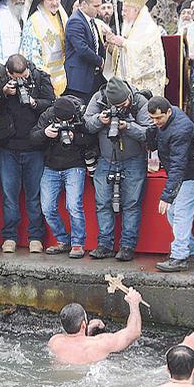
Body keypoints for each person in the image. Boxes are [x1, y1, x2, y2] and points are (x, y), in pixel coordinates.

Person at [83, 77, 152, 261]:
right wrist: (100, 120)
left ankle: (127, 246)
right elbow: (87, 124)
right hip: (106, 158)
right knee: (102, 202)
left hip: (134, 159)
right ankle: (104, 244)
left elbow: (150, 132)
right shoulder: (98, 98)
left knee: (131, 203)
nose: (121, 107)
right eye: (117, 105)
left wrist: (128, 127)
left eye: (124, 104)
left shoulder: (139, 101)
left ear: (129, 96)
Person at [0, 54, 55, 254]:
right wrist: (3, 93)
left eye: (24, 75)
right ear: (8, 72)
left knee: (33, 196)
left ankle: (35, 237)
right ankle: (9, 237)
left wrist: (34, 102)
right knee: (9, 197)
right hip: (7, 146)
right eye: (16, 76)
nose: (21, 79)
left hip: (34, 147)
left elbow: (52, 104)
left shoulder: (40, 77)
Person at [147, 96, 194, 272]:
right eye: (152, 118)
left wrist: (167, 195)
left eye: (158, 118)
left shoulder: (181, 129)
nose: (155, 122)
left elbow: (178, 164)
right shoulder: (167, 119)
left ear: (168, 112)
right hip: (184, 174)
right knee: (173, 213)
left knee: (181, 212)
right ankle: (190, 250)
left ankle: (179, 256)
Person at [30, 95, 95, 258]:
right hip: (50, 165)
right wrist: (45, 133)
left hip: (75, 165)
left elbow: (92, 137)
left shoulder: (81, 113)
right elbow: (33, 138)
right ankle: (63, 240)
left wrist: (76, 138)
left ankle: (78, 244)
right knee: (47, 208)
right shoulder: (48, 115)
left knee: (73, 206)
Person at [104, 0, 166, 99]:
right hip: (126, 86)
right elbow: (122, 56)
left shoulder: (149, 29)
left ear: (136, 10)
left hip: (143, 86)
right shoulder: (129, 27)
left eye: (126, 10)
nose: (123, 13)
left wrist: (124, 43)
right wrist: (113, 45)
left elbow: (146, 56)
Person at [48, 288, 143, 365]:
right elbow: (134, 332)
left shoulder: (54, 342)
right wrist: (134, 303)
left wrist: (89, 328)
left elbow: (74, 338)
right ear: (83, 325)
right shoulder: (100, 343)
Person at [20, 0, 68, 96]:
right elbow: (31, 51)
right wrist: (42, 75)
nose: (54, 3)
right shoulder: (34, 20)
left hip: (64, 75)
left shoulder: (62, 16)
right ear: (42, 0)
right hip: (44, 77)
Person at [63, 0, 106, 103]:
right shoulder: (75, 21)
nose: (99, 10)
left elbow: (95, 44)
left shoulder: (90, 20)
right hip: (80, 79)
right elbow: (82, 49)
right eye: (96, 6)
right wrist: (100, 61)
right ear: (83, 4)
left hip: (93, 76)